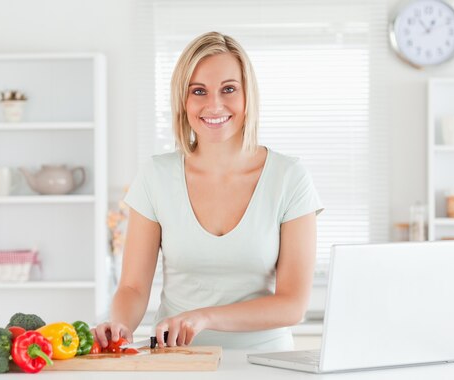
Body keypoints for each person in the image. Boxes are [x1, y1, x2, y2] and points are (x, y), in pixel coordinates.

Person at [93, 31, 323, 351]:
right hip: (177, 360)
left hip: (263, 362)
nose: (214, 105)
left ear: (247, 97)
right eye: (198, 91)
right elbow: (132, 286)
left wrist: (204, 318)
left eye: (228, 89)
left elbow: (292, 304)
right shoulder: (156, 176)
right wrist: (119, 325)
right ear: (183, 101)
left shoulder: (289, 178)